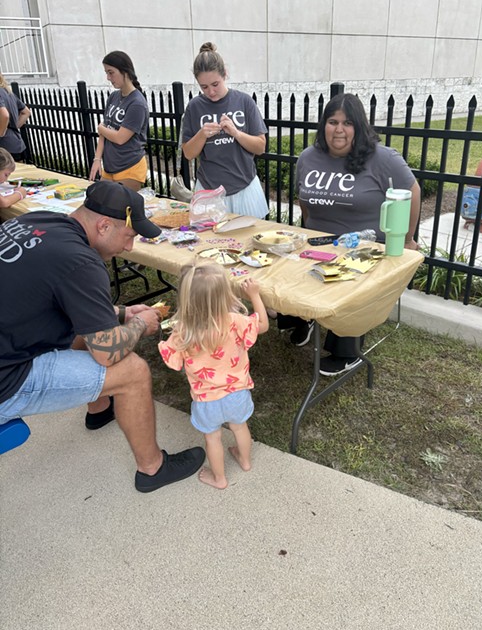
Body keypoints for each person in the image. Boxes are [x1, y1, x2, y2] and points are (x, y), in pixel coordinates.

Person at [0, 180, 205, 492]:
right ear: (105, 225)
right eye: (130, 236)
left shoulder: (39, 221)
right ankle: (153, 469)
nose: (130, 247)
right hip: (6, 378)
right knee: (133, 371)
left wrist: (121, 313)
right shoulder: (81, 262)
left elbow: (62, 295)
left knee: (87, 327)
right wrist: (139, 325)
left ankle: (98, 411)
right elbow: (106, 353)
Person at [279, 93, 420, 376]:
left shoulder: (383, 159)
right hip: (318, 242)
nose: (339, 129)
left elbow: (412, 192)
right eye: (332, 122)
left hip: (365, 248)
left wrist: (406, 239)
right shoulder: (308, 157)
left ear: (360, 127)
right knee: (281, 266)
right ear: (324, 126)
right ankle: (301, 319)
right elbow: (303, 199)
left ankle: (347, 352)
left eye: (347, 123)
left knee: (349, 282)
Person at [158, 263, 269, 489]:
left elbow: (172, 361)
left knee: (212, 438)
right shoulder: (234, 321)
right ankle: (245, 461)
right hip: (237, 392)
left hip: (206, 400)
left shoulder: (183, 331)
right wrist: (255, 295)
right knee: (240, 427)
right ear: (225, 294)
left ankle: (219, 478)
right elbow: (264, 325)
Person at [182, 42, 269, 218]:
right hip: (208, 190)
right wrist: (201, 135)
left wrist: (236, 133)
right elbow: (188, 154)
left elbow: (260, 147)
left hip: (245, 188)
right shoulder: (194, 106)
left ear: (225, 74)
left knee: (249, 241)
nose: (211, 92)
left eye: (215, 84)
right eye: (204, 87)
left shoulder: (244, 101)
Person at [89, 51, 149, 192]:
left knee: (120, 210)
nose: (108, 78)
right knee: (99, 203)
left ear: (125, 72)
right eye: (106, 73)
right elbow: (106, 132)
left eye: (111, 72)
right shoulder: (114, 97)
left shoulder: (137, 103)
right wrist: (97, 159)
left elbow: (120, 138)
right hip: (110, 167)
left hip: (130, 167)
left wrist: (101, 128)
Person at [0, 72, 31, 161]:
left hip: (4, 149)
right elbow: (26, 112)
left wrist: (1, 133)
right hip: (17, 144)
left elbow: (5, 115)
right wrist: (14, 126)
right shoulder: (8, 92)